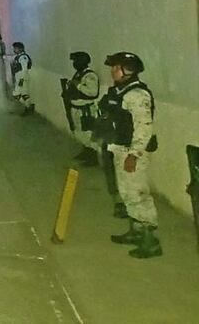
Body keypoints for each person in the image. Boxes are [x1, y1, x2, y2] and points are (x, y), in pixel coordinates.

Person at [100, 52, 162, 259]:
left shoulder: (137, 95)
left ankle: (150, 242)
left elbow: (144, 127)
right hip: (120, 148)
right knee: (127, 192)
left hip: (132, 152)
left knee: (138, 194)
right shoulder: (120, 92)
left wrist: (134, 154)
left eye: (115, 67)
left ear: (128, 70)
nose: (112, 71)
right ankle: (136, 232)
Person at [64, 51, 100, 166]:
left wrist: (78, 85)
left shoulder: (90, 75)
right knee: (79, 132)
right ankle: (86, 151)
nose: (74, 63)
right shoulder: (79, 74)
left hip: (86, 110)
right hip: (76, 108)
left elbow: (93, 93)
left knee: (88, 133)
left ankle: (93, 157)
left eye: (76, 61)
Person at [11, 41, 33, 115]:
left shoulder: (23, 57)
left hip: (22, 78)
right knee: (23, 94)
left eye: (15, 48)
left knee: (17, 94)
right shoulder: (18, 57)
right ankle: (28, 107)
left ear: (20, 49)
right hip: (19, 78)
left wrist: (22, 79)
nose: (14, 50)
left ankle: (28, 107)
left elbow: (24, 69)